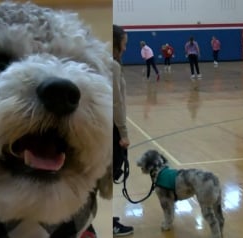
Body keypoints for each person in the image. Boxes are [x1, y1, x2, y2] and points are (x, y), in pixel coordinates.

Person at [112, 24, 134, 236]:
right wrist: (124, 134)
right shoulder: (113, 66)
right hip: (111, 130)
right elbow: (116, 103)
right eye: (123, 44)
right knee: (108, 175)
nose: (125, 48)